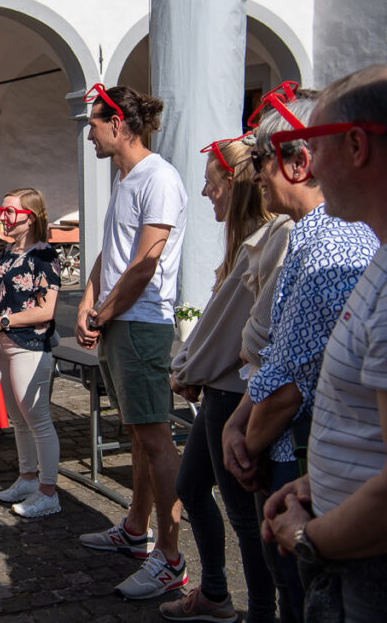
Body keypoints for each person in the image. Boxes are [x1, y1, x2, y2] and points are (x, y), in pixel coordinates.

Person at [221, 91, 378, 622]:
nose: (259, 175)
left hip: (323, 501)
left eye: (263, 159)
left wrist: (248, 440)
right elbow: (284, 356)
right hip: (315, 484)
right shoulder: (321, 238)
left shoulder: (336, 247)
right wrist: (241, 419)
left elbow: (290, 387)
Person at [159, 137, 282, 623]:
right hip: (219, 390)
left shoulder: (266, 242)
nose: (207, 194)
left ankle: (261, 612)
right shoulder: (244, 243)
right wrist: (192, 368)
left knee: (245, 516)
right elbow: (216, 317)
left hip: (237, 396)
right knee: (191, 486)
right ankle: (214, 592)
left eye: (212, 184)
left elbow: (237, 328)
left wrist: (190, 369)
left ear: (234, 183)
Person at [74, 84, 189, 600]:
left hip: (141, 321)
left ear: (118, 124)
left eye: (94, 123)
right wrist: (87, 301)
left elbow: (145, 265)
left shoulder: (159, 177)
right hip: (121, 319)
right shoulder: (126, 178)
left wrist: (103, 313)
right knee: (141, 436)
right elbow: (112, 253)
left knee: (156, 439)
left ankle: (171, 557)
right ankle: (136, 529)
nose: (90, 132)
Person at [0, 188, 62, 518]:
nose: (3, 218)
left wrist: (3, 319)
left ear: (32, 218)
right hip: (5, 344)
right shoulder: (10, 251)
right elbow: (7, 297)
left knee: (38, 420)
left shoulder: (44, 255)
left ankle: (49, 492)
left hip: (30, 346)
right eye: (3, 211)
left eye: (11, 213)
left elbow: (46, 310)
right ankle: (28, 478)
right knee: (18, 420)